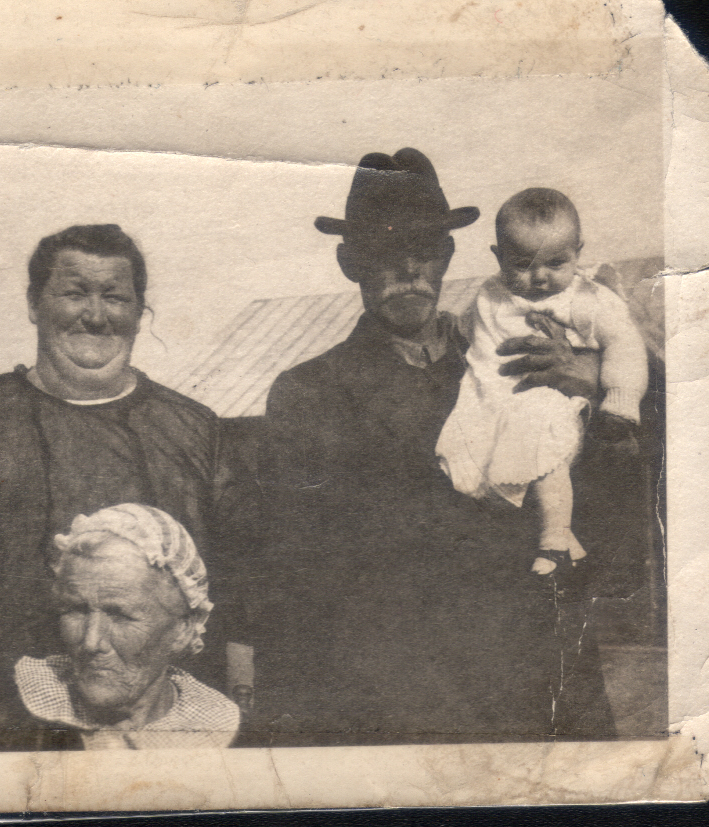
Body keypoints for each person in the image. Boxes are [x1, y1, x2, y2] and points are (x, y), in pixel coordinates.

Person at [239, 149, 615, 744]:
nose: (409, 269)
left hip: (522, 680)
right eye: (382, 251)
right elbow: (297, 581)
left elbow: (600, 496)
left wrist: (592, 383)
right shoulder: (310, 394)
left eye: (424, 248)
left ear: (448, 255)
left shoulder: (515, 359)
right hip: (397, 700)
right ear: (349, 263)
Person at [0, 224, 246, 752]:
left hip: (169, 744)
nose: (94, 315)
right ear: (34, 304)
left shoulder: (195, 430)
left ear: (140, 311)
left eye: (114, 296)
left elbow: (243, 595)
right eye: (74, 293)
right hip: (7, 740)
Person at [435, 188, 648, 575]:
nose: (540, 277)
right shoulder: (489, 296)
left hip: (554, 402)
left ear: (577, 253)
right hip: (489, 402)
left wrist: (620, 398)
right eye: (522, 264)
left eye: (556, 263)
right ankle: (569, 547)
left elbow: (625, 344)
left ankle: (554, 539)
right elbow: (466, 335)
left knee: (539, 435)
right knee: (465, 456)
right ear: (498, 257)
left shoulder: (586, 298)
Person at [13, 504, 240, 750]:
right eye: (77, 610)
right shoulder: (13, 718)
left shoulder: (227, 739)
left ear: (182, 631)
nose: (91, 642)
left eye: (119, 615)